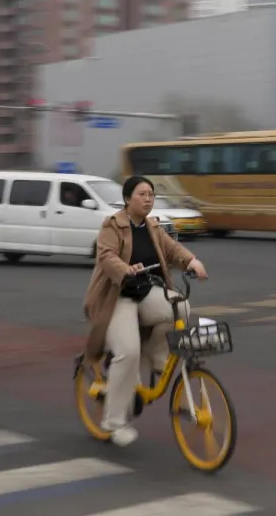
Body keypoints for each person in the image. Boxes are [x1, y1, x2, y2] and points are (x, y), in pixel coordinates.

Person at [81, 175, 207, 447]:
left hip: (146, 292)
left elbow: (173, 250)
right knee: (128, 352)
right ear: (127, 199)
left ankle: (158, 357)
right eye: (142, 194)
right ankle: (113, 422)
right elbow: (106, 257)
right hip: (117, 298)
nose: (148, 199)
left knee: (181, 307)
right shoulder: (112, 226)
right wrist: (125, 269)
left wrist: (192, 261)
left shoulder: (152, 227)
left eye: (150, 194)